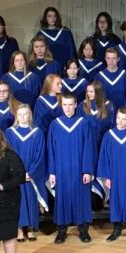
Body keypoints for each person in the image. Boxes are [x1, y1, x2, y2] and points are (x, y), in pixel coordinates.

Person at [47, 92, 96, 244]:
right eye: (65, 105)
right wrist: (52, 172)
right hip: (61, 170)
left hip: (79, 169)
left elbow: (89, 147)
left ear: (76, 105)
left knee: (82, 199)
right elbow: (51, 150)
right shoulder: (55, 125)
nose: (68, 108)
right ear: (61, 105)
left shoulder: (83, 123)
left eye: (71, 105)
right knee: (62, 199)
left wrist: (88, 170)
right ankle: (62, 231)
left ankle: (83, 230)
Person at [97, 107, 126, 242]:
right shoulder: (109, 135)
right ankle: (116, 229)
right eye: (118, 118)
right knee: (115, 202)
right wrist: (107, 176)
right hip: (114, 175)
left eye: (124, 119)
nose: (121, 122)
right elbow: (104, 157)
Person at [4, 104, 47, 242]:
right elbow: (7, 155)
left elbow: (40, 155)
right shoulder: (10, 133)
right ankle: (19, 229)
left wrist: (31, 173)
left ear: (30, 115)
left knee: (31, 200)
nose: (23, 117)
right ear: (16, 116)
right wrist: (17, 173)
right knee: (18, 201)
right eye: (20, 114)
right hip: (16, 175)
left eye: (25, 114)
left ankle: (30, 228)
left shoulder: (37, 132)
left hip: (31, 175)